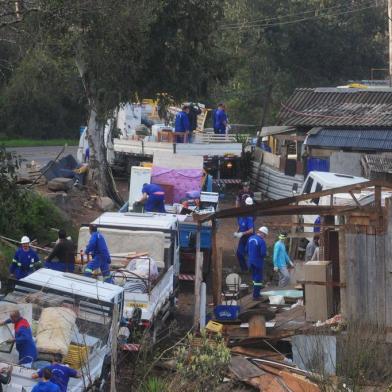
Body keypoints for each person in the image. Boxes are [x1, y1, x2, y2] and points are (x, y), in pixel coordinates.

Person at [234, 197, 255, 272]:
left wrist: (242, 233)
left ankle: (251, 269)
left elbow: (251, 230)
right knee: (239, 253)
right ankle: (244, 269)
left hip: (249, 238)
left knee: (250, 254)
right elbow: (240, 225)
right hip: (243, 237)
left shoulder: (249, 217)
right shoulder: (240, 215)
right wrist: (237, 232)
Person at [247, 226, 268, 299]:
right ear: (262, 233)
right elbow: (263, 253)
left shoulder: (250, 238)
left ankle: (255, 292)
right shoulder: (261, 241)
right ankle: (256, 295)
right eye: (265, 235)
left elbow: (246, 249)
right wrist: (266, 254)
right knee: (258, 279)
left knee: (254, 277)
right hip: (258, 262)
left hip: (250, 262)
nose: (264, 237)